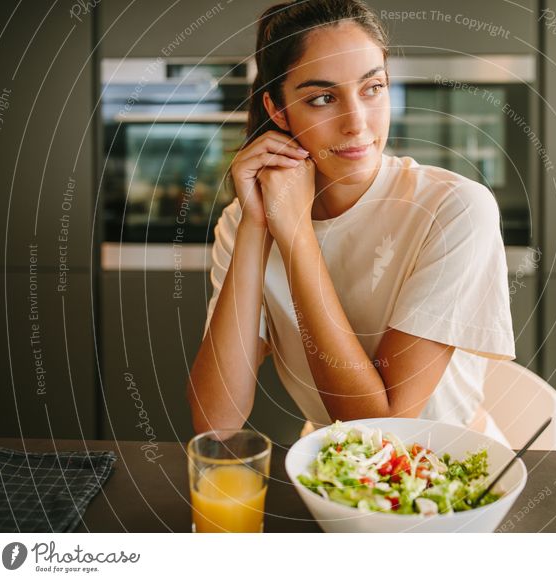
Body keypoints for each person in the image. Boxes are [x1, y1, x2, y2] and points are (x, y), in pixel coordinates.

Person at [186, 0, 516, 446]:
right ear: (278, 110)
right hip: (331, 472)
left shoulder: (454, 208)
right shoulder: (244, 223)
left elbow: (382, 429)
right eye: (323, 98)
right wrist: (256, 226)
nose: (357, 123)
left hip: (445, 474)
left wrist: (297, 233)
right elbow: (215, 420)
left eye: (372, 88)